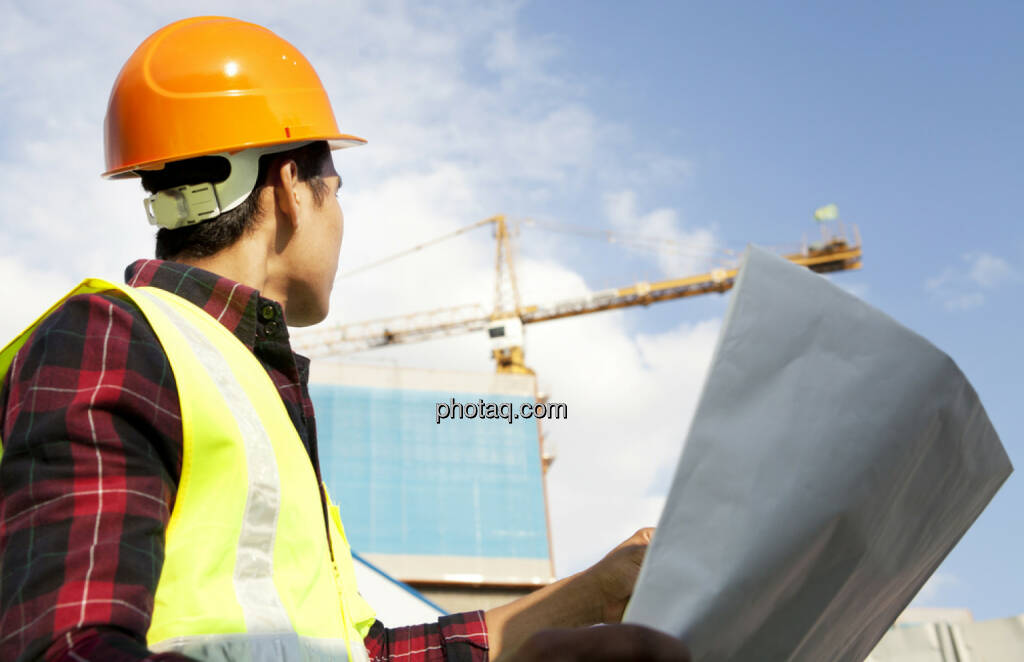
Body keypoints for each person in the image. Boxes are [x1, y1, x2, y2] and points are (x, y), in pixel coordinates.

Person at [0, 16, 689, 662]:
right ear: (291, 186)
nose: (341, 218)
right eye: (339, 185)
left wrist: (589, 595)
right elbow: (69, 647)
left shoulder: (254, 395)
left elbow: (361, 653)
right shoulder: (112, 337)